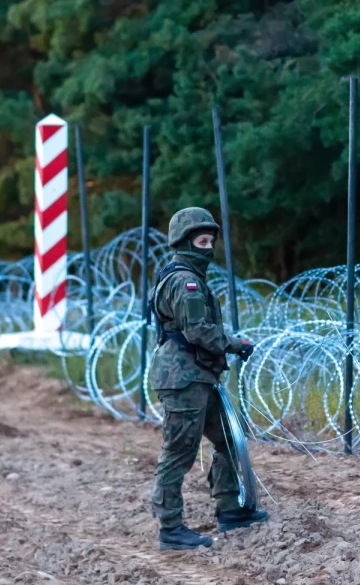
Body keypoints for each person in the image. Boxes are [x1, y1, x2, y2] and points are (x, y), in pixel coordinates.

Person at [148, 206, 267, 551]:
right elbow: (197, 330)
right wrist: (234, 343)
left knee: (231, 438)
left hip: (196, 376)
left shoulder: (187, 278)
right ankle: (171, 529)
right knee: (178, 454)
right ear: (185, 242)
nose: (208, 248)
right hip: (182, 379)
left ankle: (230, 509)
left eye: (210, 240)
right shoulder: (184, 282)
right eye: (201, 241)